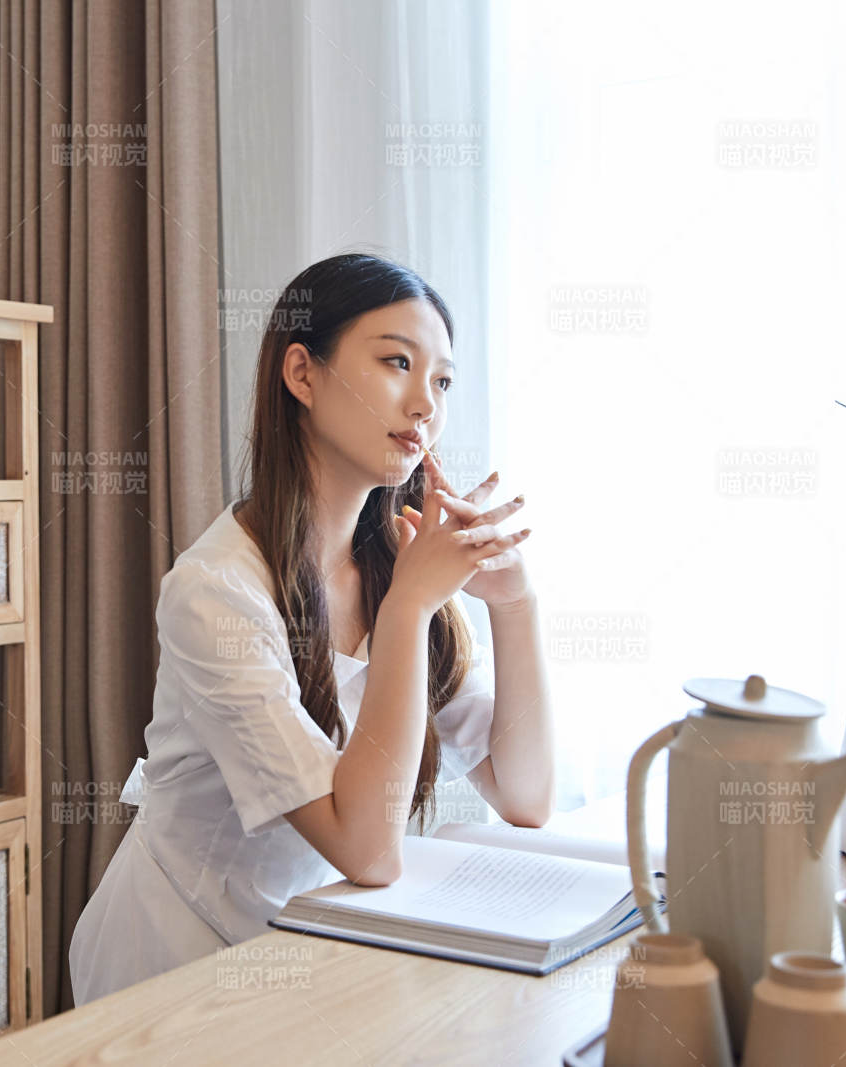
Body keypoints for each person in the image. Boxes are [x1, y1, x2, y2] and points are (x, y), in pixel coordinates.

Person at [68, 252, 555, 1006]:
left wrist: (513, 602)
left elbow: (526, 795)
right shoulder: (215, 591)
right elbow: (367, 848)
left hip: (309, 946)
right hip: (176, 960)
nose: (427, 404)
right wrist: (408, 614)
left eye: (443, 380)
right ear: (302, 373)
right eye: (398, 361)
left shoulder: (397, 563)